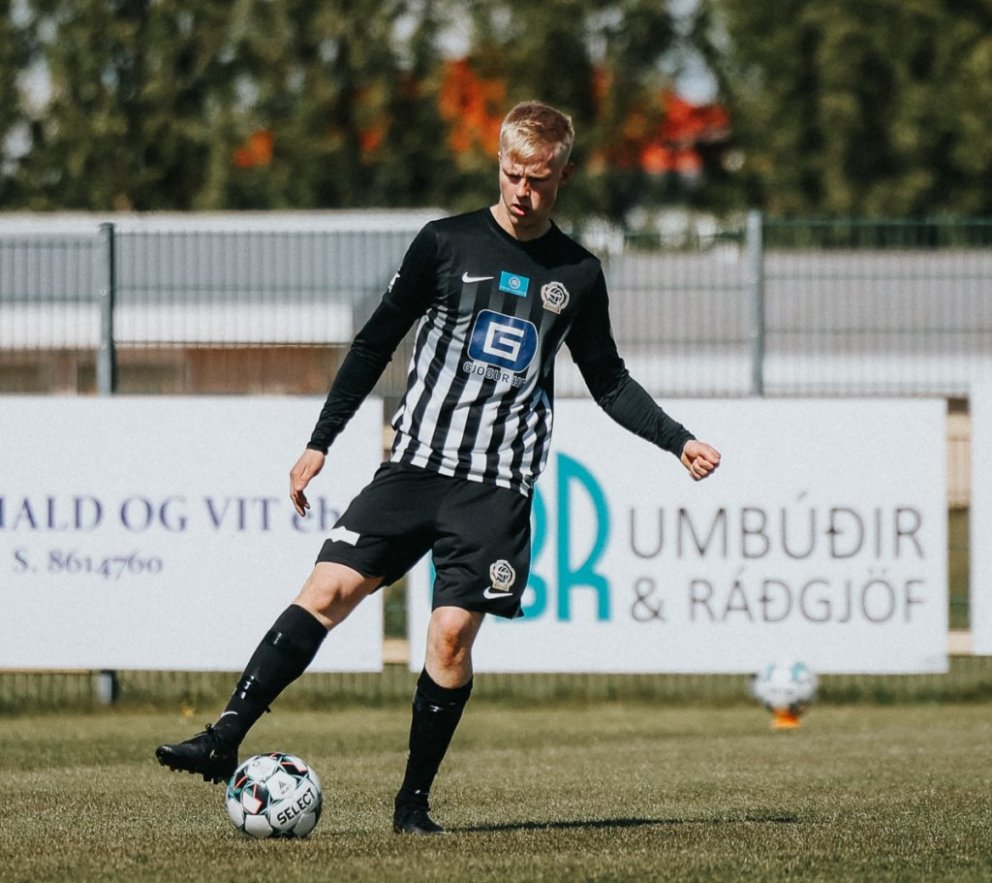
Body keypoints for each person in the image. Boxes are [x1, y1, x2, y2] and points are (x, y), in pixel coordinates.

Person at [155, 100, 721, 835]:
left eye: (539, 180)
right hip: (415, 466)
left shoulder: (578, 273)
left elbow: (608, 380)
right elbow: (374, 342)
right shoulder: (445, 242)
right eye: (513, 174)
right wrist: (321, 440)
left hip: (495, 486)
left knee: (450, 635)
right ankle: (222, 736)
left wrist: (677, 440)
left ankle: (411, 807)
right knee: (326, 588)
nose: (523, 192)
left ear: (564, 176)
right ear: (499, 163)